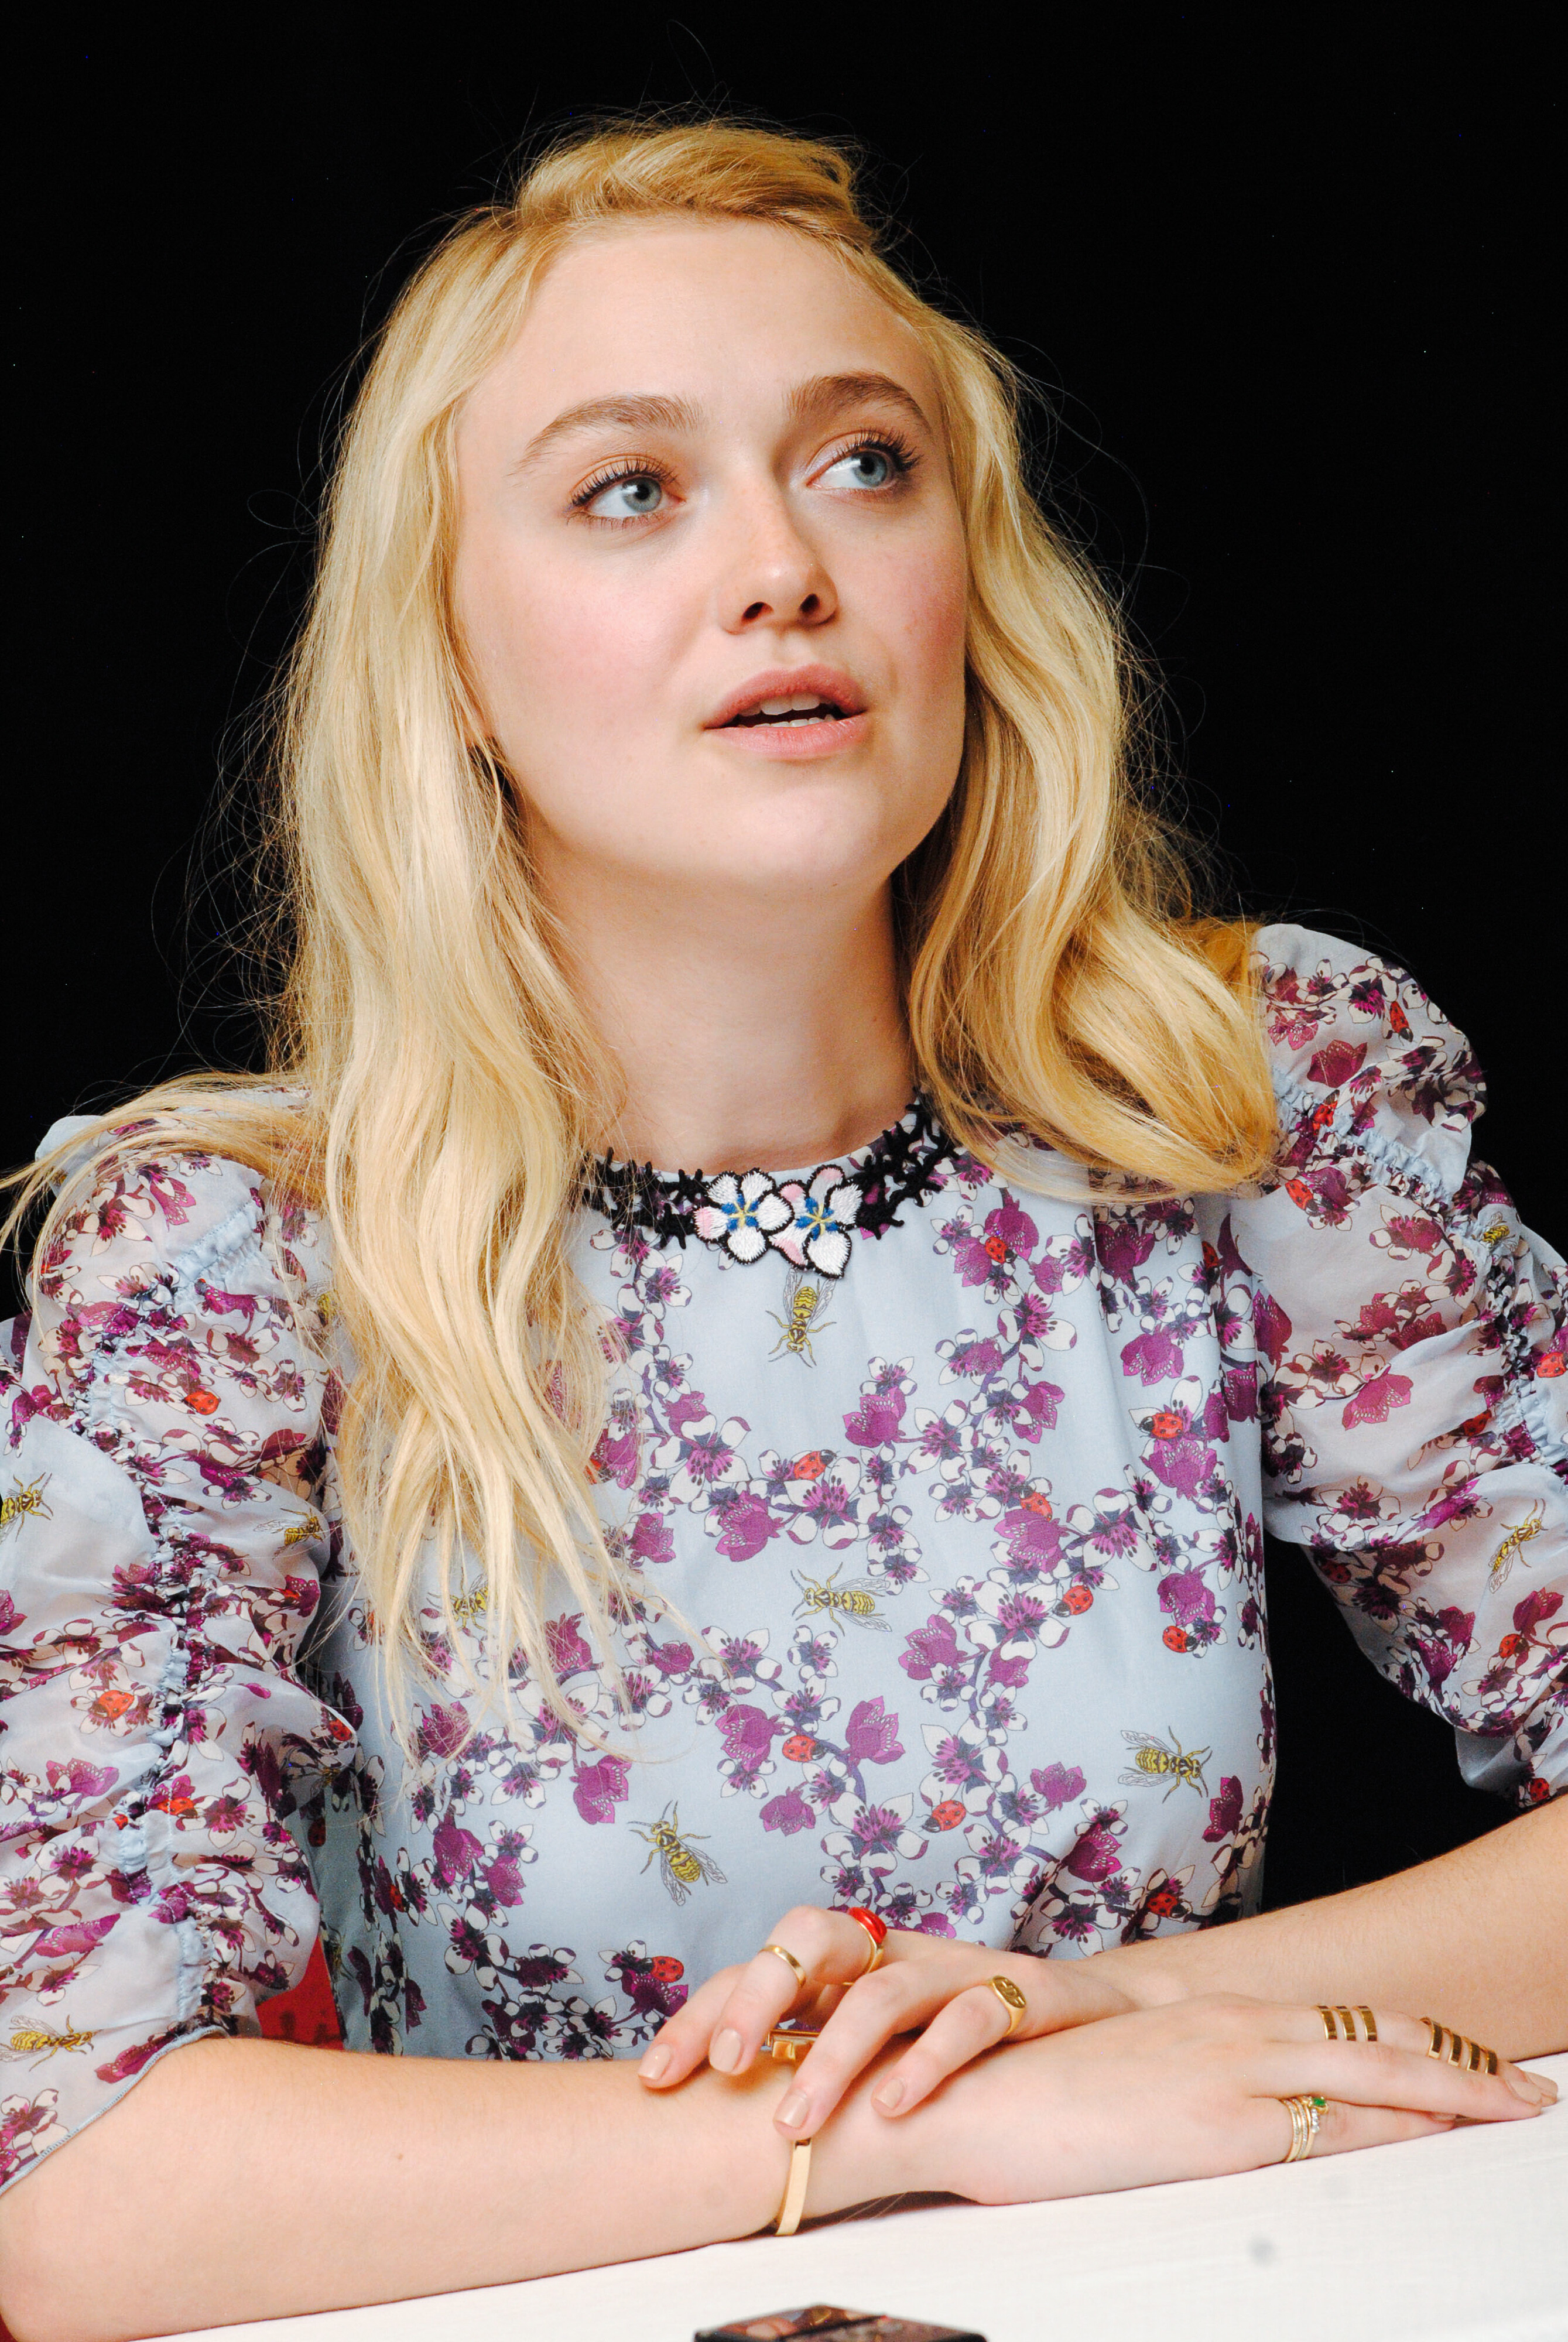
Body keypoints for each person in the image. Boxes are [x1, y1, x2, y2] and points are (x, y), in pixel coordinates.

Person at [1, 117, 1562, 2342]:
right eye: (631, 489)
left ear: (970, 579)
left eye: (863, 464)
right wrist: (901, 2125)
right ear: (447, 654)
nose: (780, 568)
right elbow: (71, 2187)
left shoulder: (1241, 1105)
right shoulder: (231, 1268)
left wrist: (1097, 2013)